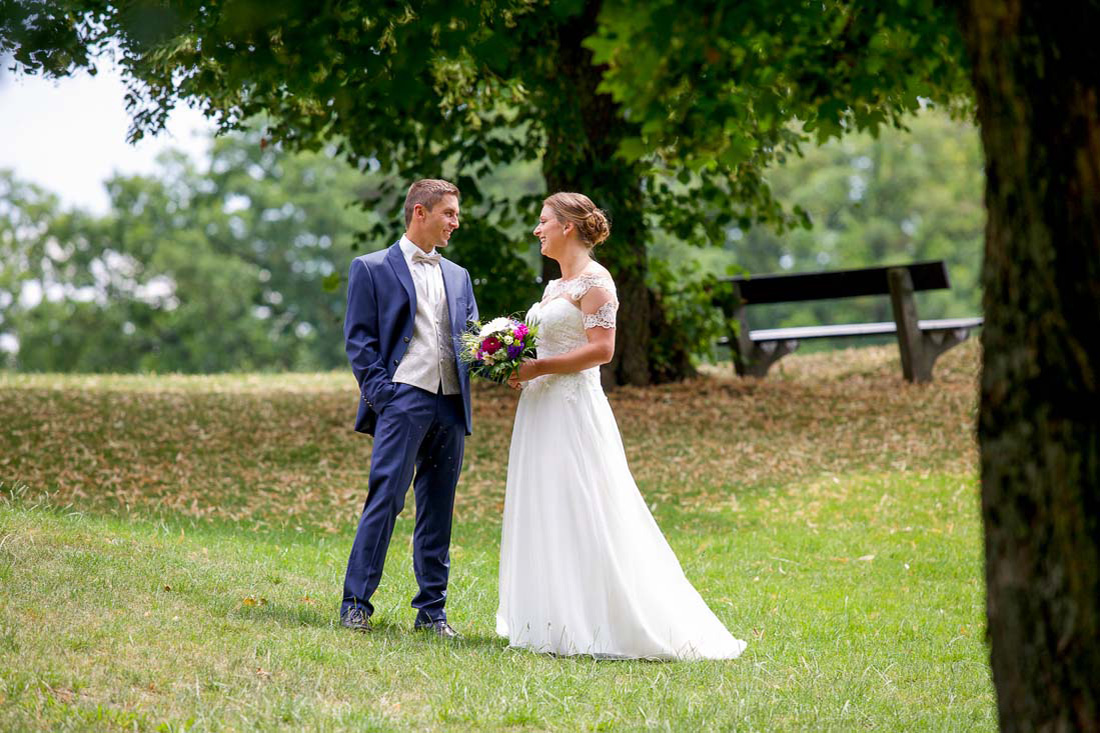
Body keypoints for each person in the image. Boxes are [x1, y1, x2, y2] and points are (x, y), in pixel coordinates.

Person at [497, 192, 747, 660]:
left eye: (544, 221)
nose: (538, 230)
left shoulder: (597, 282)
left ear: (567, 227)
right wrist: (514, 361)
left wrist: (541, 367)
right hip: (540, 408)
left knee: (584, 502)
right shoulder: (555, 287)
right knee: (547, 501)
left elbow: (603, 350)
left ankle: (602, 619)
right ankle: (551, 619)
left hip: (573, 407)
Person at [340, 179, 478, 638]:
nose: (456, 222)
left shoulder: (458, 275)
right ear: (420, 212)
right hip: (403, 399)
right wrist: (385, 397)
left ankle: (432, 613)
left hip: (451, 403)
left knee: (439, 509)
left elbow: (470, 336)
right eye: (449, 214)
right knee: (386, 499)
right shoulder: (371, 267)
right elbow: (359, 342)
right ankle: (356, 603)